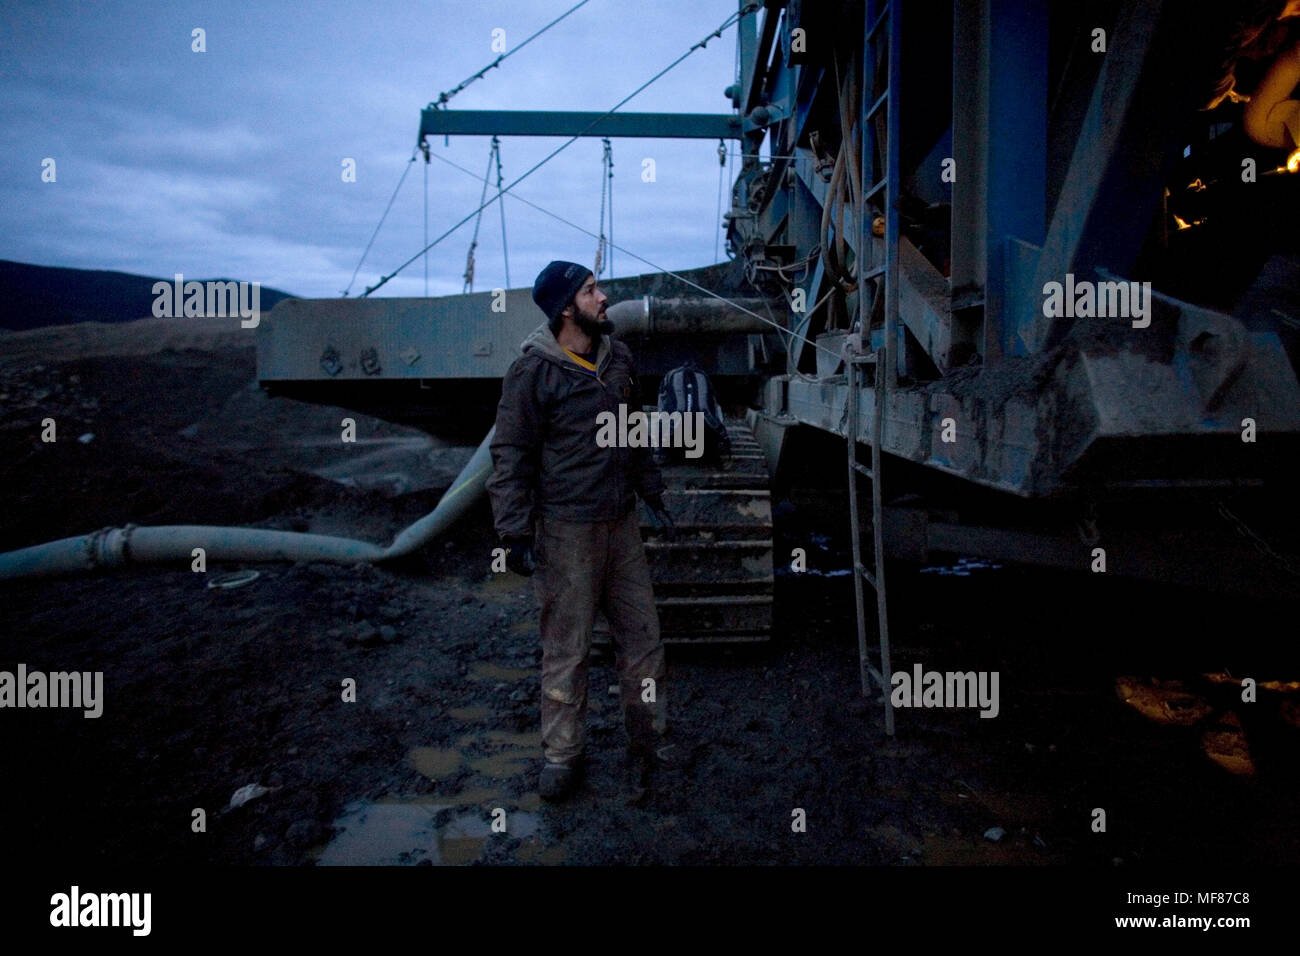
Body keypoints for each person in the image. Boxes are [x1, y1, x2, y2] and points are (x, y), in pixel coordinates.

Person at [486, 260, 679, 802]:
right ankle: (563, 755)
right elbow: (511, 453)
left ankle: (648, 744)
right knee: (567, 648)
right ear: (566, 307)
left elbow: (632, 429)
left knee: (644, 643)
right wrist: (515, 531)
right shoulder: (533, 372)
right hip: (567, 532)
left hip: (622, 526)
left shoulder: (618, 358)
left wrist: (653, 492)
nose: (604, 296)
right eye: (592, 290)